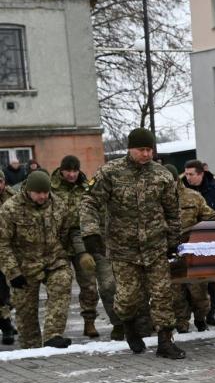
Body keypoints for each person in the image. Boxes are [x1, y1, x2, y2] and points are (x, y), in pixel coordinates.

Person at [80, 128, 186, 359]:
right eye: (142, 150)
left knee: (162, 294)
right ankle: (128, 326)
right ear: (130, 149)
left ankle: (165, 341)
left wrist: (173, 240)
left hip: (155, 246)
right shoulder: (110, 172)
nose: (147, 154)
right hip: (123, 248)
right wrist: (90, 231)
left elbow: (172, 211)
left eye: (150, 150)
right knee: (128, 297)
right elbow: (89, 202)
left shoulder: (162, 175)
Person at [0, 170, 77, 348]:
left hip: (54, 261)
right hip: (24, 266)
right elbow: (3, 244)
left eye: (46, 192)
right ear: (28, 190)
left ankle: (53, 334)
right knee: (26, 314)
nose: (43, 196)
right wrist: (13, 273)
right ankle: (31, 347)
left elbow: (67, 232)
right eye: (38, 193)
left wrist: (72, 255)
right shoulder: (11, 208)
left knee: (63, 282)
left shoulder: (58, 204)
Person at [50, 155, 109, 339]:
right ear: (61, 170)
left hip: (82, 240)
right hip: (58, 243)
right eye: (68, 171)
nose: (72, 175)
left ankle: (89, 322)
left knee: (89, 283)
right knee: (60, 285)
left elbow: (98, 210)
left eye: (75, 171)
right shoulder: (51, 188)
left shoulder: (87, 187)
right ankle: (54, 329)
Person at [173, 167, 215, 333]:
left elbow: (212, 217)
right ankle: (182, 324)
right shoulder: (154, 200)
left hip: (193, 253)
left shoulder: (192, 197)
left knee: (199, 292)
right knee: (176, 294)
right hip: (169, 253)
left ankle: (200, 319)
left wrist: (200, 236)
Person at [182, 159, 215, 328]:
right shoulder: (183, 191)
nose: (188, 177)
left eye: (191, 174)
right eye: (186, 174)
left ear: (200, 174)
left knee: (211, 281)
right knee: (189, 283)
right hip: (187, 243)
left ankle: (210, 314)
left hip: (208, 241)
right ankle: (192, 316)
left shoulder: (214, 189)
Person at [0, 177, 14, 344]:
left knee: (12, 295)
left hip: (10, 252)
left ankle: (7, 321)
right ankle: (6, 327)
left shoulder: (13, 197)